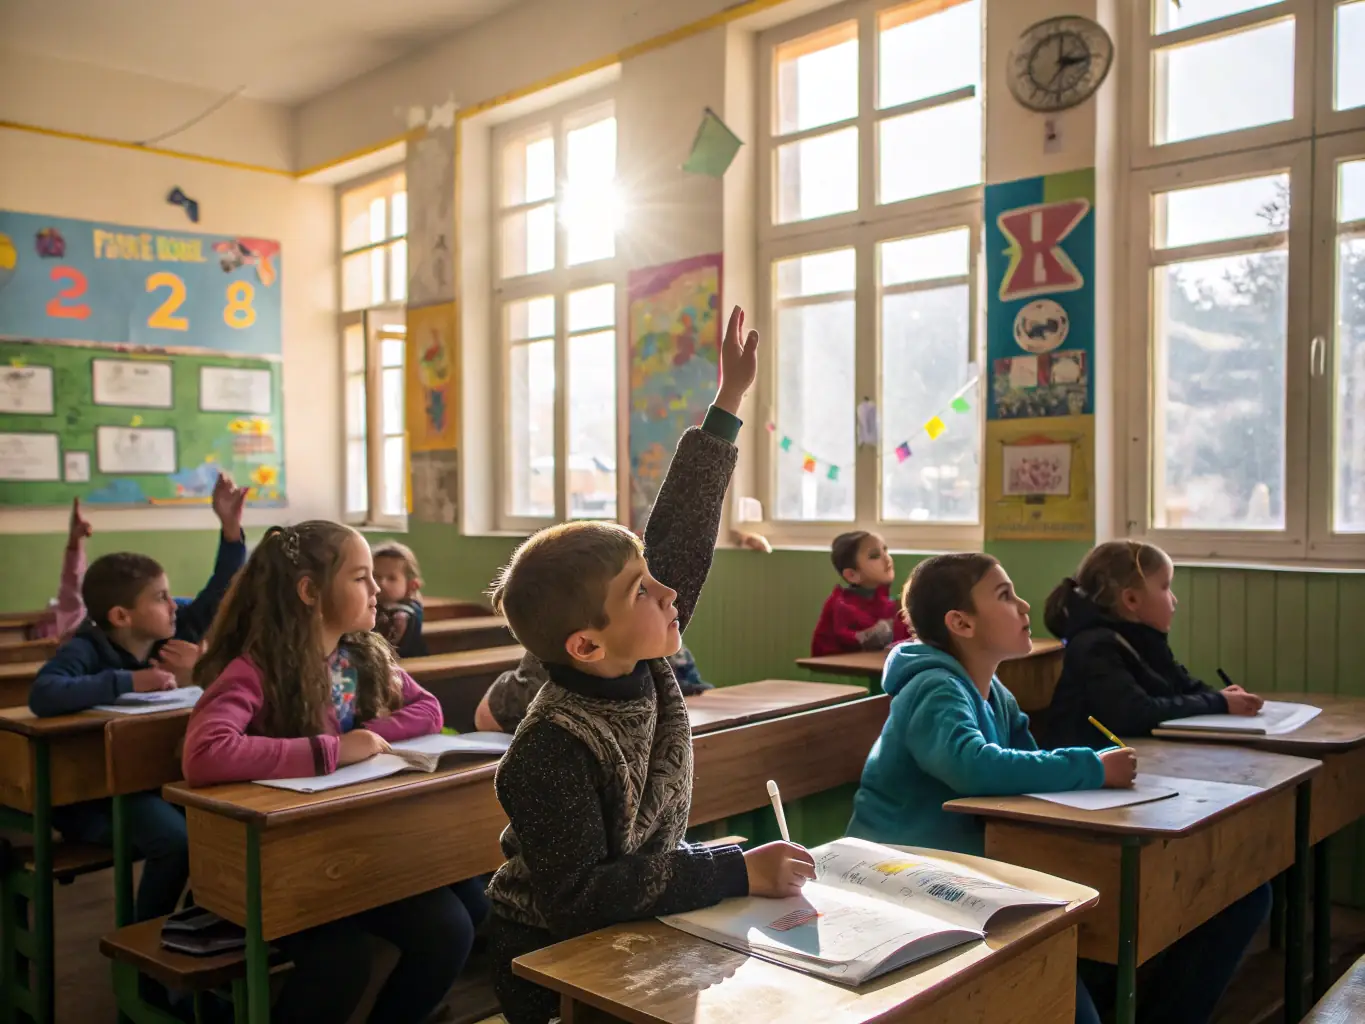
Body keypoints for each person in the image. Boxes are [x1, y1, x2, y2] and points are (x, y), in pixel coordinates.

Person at [484, 306, 815, 1024]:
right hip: (548, 961)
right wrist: (730, 867)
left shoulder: (640, 656)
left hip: (634, 927)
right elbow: (577, 900)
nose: (668, 592)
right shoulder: (550, 749)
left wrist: (727, 402)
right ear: (585, 644)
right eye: (642, 588)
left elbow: (682, 533)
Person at [183, 521, 473, 1024]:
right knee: (341, 962)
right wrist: (332, 750)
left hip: (354, 849)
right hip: (283, 867)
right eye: (361, 578)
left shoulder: (362, 654)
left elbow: (428, 711)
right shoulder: (256, 668)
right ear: (310, 592)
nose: (378, 589)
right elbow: (205, 753)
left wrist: (370, 733)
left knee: (454, 926)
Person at [845, 552, 1136, 1024]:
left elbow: (1025, 766)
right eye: (1004, 595)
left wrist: (1082, 777)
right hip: (893, 876)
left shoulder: (994, 691)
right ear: (961, 623)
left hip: (956, 876)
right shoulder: (935, 688)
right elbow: (974, 767)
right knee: (1059, 972)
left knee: (1082, 941)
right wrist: (1092, 769)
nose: (1024, 606)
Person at [1043, 540, 1264, 749]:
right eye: (1165, 587)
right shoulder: (1094, 647)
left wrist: (1223, 697)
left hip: (1134, 760)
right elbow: (1135, 713)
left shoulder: (1143, 639)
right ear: (1131, 600)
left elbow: (1180, 685)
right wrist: (1218, 702)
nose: (1174, 599)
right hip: (1084, 776)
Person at [810, 530, 912, 657]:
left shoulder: (884, 601)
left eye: (885, 550)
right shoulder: (842, 605)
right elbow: (863, 641)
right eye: (875, 556)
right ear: (852, 575)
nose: (887, 558)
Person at [371, 540, 428, 658]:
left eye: (391, 578)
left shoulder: (400, 615)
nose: (382, 583)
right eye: (376, 576)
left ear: (410, 585)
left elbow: (383, 652)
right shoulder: (379, 605)